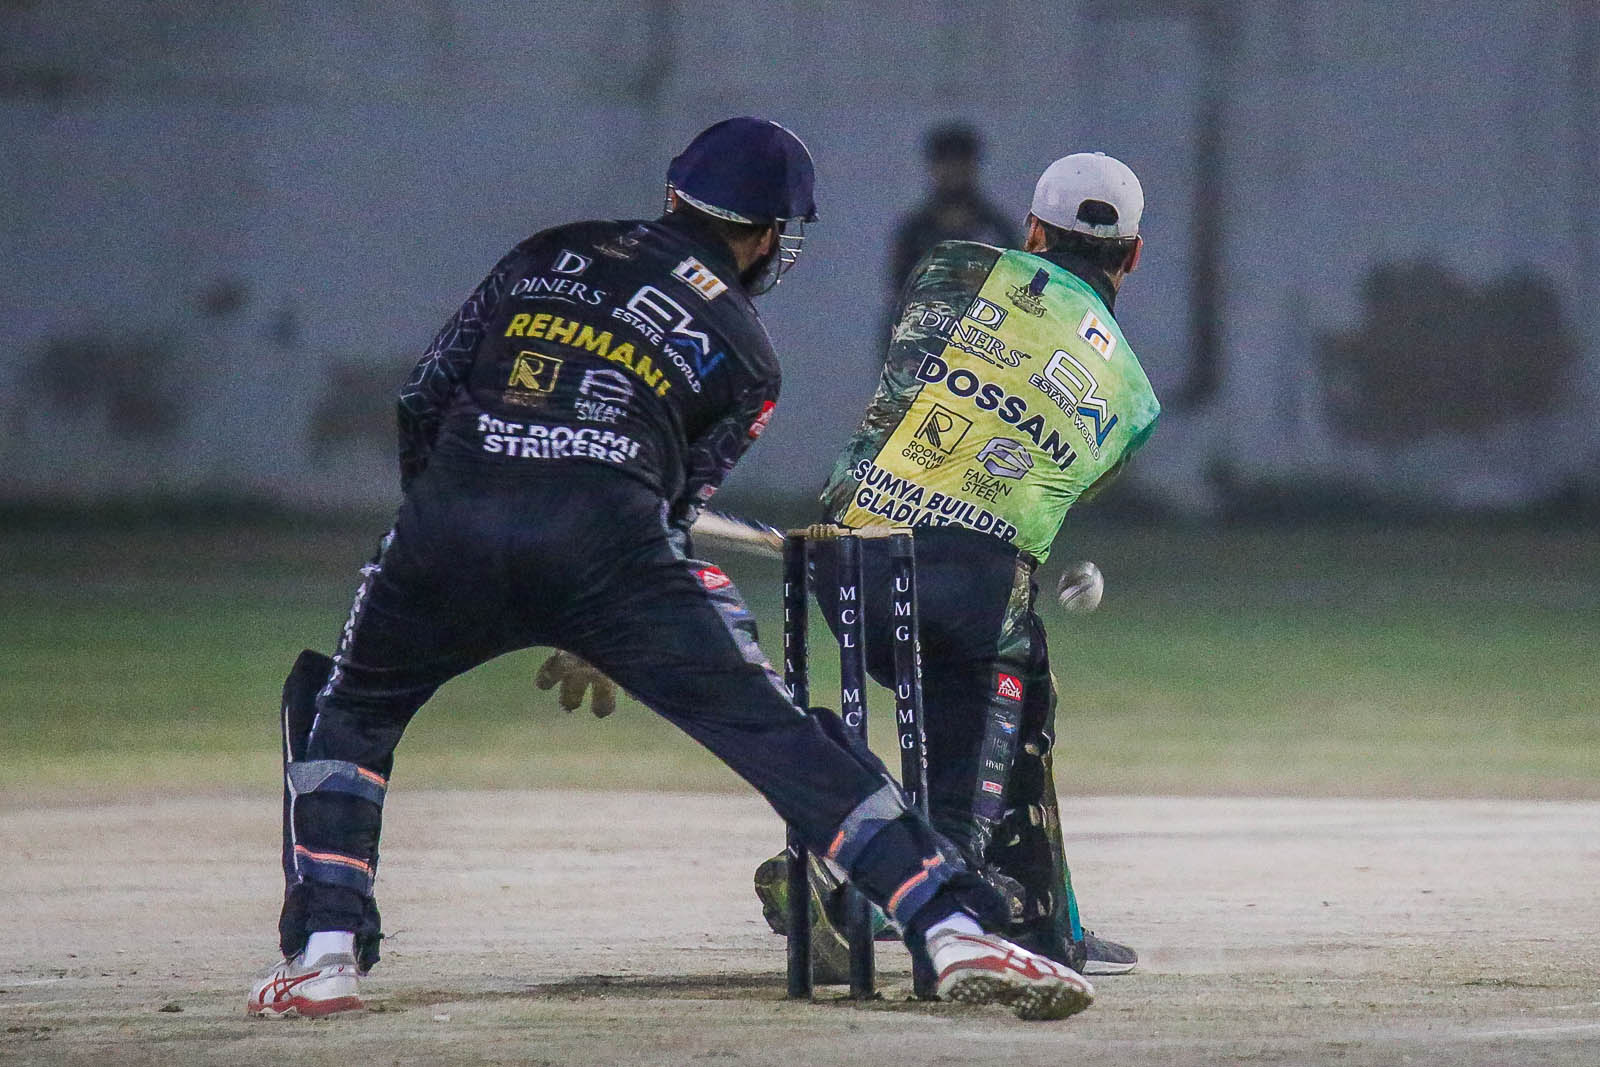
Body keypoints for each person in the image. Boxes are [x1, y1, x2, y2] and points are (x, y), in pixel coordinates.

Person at [245, 117, 1096, 1023]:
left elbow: (424, 397)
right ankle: (951, 926)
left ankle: (324, 953)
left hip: (452, 520)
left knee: (345, 706)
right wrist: (600, 626)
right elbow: (673, 509)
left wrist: (438, 524)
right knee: (775, 734)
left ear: (673, 195)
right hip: (608, 546)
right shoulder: (749, 354)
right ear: (768, 236)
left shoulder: (549, 252)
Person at [756, 152, 1159, 979]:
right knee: (1000, 699)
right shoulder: (1136, 400)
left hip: (844, 559)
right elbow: (1068, 485)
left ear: (1034, 230)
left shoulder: (948, 268)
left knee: (1015, 675)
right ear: (1135, 254)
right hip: (970, 591)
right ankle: (877, 894)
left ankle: (1036, 918)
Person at [882, 124, 1020, 345]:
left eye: (960, 163)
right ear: (934, 168)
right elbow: (900, 292)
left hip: (984, 343)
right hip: (923, 342)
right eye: (946, 163)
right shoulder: (914, 232)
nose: (954, 172)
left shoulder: (996, 231)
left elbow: (1016, 288)